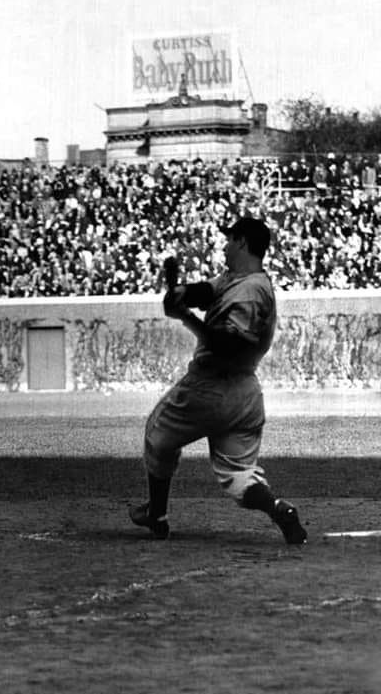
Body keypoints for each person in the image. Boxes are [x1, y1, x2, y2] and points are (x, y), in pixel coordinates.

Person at [129, 217, 307, 544]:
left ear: (241, 242)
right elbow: (209, 291)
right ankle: (278, 507)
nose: (224, 246)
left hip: (209, 385)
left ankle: (157, 514)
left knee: (158, 434)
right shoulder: (241, 279)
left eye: (229, 240)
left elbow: (227, 344)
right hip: (245, 396)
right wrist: (183, 293)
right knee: (240, 477)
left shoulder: (252, 291)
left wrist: (185, 317)